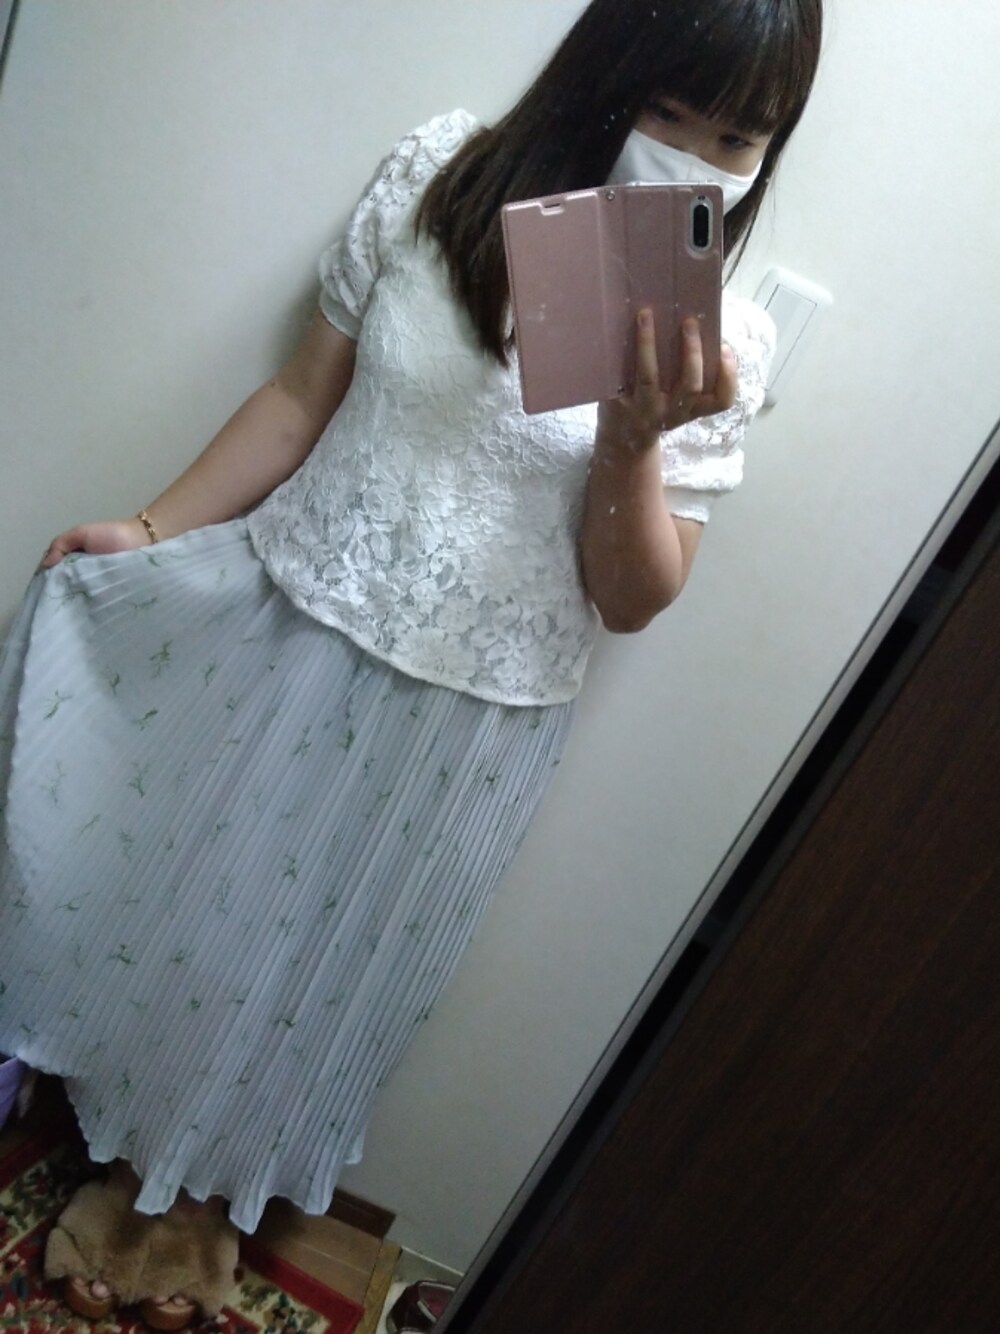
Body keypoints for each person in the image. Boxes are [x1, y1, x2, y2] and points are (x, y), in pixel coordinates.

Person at [0, 0, 823, 1325]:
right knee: (198, 920)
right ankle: (119, 1168)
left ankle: (196, 1213)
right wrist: (150, 529)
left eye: (737, 136)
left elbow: (631, 599)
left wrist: (631, 439)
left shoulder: (718, 342)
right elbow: (298, 399)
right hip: (295, 622)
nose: (692, 156)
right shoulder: (445, 176)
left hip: (470, 725)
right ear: (605, 70)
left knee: (320, 981)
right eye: (668, 109)